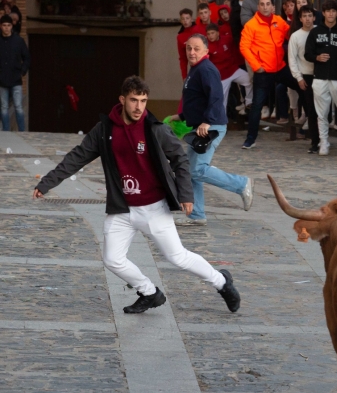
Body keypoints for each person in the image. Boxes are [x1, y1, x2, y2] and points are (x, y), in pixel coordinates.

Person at [33, 76, 242, 314]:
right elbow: (77, 156)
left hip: (154, 208)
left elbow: (180, 159)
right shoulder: (104, 130)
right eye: (133, 100)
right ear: (122, 100)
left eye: (143, 100)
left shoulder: (155, 129)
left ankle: (222, 282)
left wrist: (186, 195)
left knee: (178, 257)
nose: (139, 106)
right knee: (112, 259)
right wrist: (47, 182)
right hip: (122, 208)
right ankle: (150, 292)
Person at [169, 34, 254, 224]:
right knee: (192, 170)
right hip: (201, 126)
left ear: (206, 51)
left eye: (196, 48)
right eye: (189, 48)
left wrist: (207, 121)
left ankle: (242, 184)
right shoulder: (196, 69)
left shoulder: (206, 69)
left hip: (211, 127)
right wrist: (182, 116)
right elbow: (197, 99)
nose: (192, 52)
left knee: (198, 169)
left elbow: (216, 97)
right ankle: (197, 214)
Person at [240, 0, 300, 148]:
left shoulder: (279, 21)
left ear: (272, 6)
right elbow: (244, 47)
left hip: (280, 67)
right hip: (263, 70)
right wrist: (256, 66)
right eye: (262, 4)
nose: (265, 7)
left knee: (303, 87)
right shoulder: (251, 25)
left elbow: (292, 35)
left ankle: (310, 129)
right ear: (258, 7)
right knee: (257, 105)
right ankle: (250, 139)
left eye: (268, 4)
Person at [304, 0, 337, 156]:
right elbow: (307, 54)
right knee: (321, 114)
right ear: (323, 13)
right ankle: (324, 142)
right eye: (328, 11)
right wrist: (317, 57)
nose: (331, 14)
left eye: (333, 11)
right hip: (319, 77)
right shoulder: (315, 32)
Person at [289, 5, 321, 153]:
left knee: (323, 110)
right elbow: (292, 59)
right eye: (304, 16)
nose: (307, 19)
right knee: (311, 111)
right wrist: (299, 78)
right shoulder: (295, 36)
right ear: (300, 19)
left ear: (314, 17)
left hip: (321, 74)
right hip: (306, 76)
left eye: (310, 15)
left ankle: (324, 139)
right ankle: (315, 142)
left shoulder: (320, 31)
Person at [206, 23, 252, 111]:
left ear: (218, 33)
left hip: (233, 70)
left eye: (212, 33)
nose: (210, 36)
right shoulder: (207, 47)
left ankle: (249, 102)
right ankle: (222, 122)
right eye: (208, 34)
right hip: (222, 77)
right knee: (222, 102)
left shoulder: (227, 39)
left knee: (249, 80)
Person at [0, 15, 29, 131]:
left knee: (18, 107)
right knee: (3, 107)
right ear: (1, 26)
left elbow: (27, 57)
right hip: (1, 80)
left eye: (8, 25)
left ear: (12, 26)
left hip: (16, 79)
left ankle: (22, 132)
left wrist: (22, 71)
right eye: (4, 25)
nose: (6, 28)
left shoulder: (18, 41)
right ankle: (6, 132)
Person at [177, 8, 200, 80]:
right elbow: (183, 58)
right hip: (194, 67)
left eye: (187, 18)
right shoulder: (180, 37)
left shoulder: (198, 29)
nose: (185, 21)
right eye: (183, 19)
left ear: (192, 19)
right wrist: (184, 76)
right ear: (180, 21)